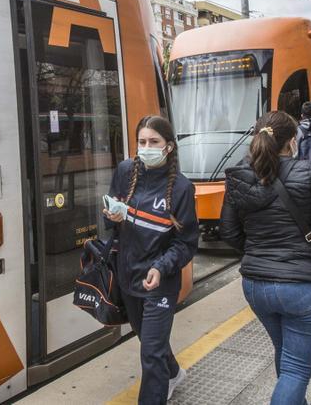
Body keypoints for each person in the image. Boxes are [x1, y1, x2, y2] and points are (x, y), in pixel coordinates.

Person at [219, 111, 311, 405]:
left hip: (256, 286)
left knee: (286, 355)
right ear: (292, 141)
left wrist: (257, 252)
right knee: (296, 369)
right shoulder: (310, 172)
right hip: (304, 286)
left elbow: (229, 231)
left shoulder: (237, 176)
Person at [102, 115, 198, 404]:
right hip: (128, 274)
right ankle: (174, 374)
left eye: (153, 142)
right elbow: (109, 218)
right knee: (149, 341)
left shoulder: (181, 188)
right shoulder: (124, 171)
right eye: (142, 142)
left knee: (150, 353)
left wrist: (161, 266)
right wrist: (111, 216)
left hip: (159, 280)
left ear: (168, 147)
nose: (146, 147)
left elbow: (187, 243)